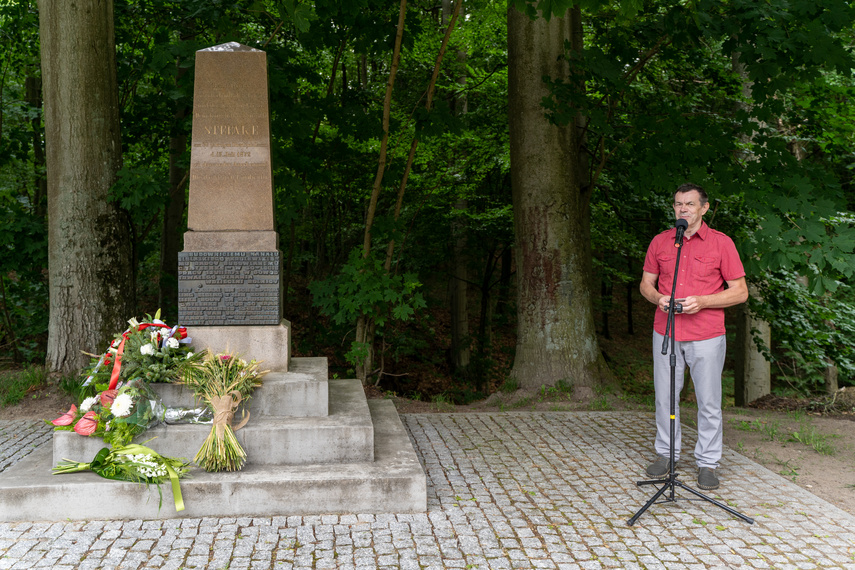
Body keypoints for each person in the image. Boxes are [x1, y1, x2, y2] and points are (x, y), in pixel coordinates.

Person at [639, 183, 748, 490]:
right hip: (666, 331)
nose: (683, 209)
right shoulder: (661, 241)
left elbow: (740, 292)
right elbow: (646, 284)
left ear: (704, 208)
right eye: (678, 204)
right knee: (665, 397)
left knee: (709, 401)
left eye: (689, 204)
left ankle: (708, 463)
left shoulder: (721, 243)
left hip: (706, 334)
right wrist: (658, 298)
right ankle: (666, 454)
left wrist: (703, 301)